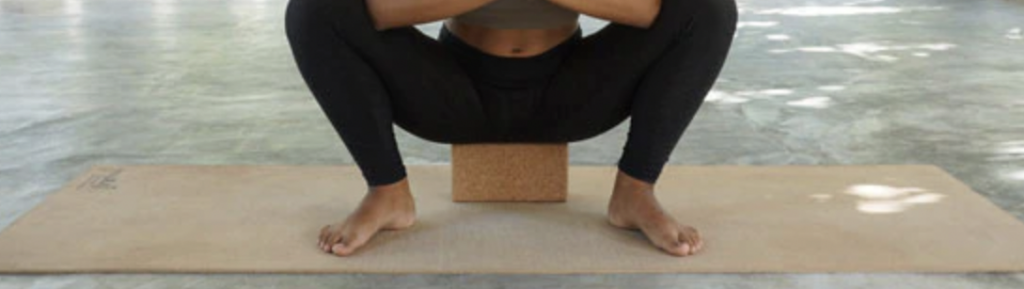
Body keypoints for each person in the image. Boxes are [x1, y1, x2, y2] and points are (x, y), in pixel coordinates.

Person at [285, 0, 737, 257]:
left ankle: (635, 192)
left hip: (572, 94)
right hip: (451, 94)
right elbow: (384, 10)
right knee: (314, 8)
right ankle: (388, 192)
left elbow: (644, 9)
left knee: (710, 8)